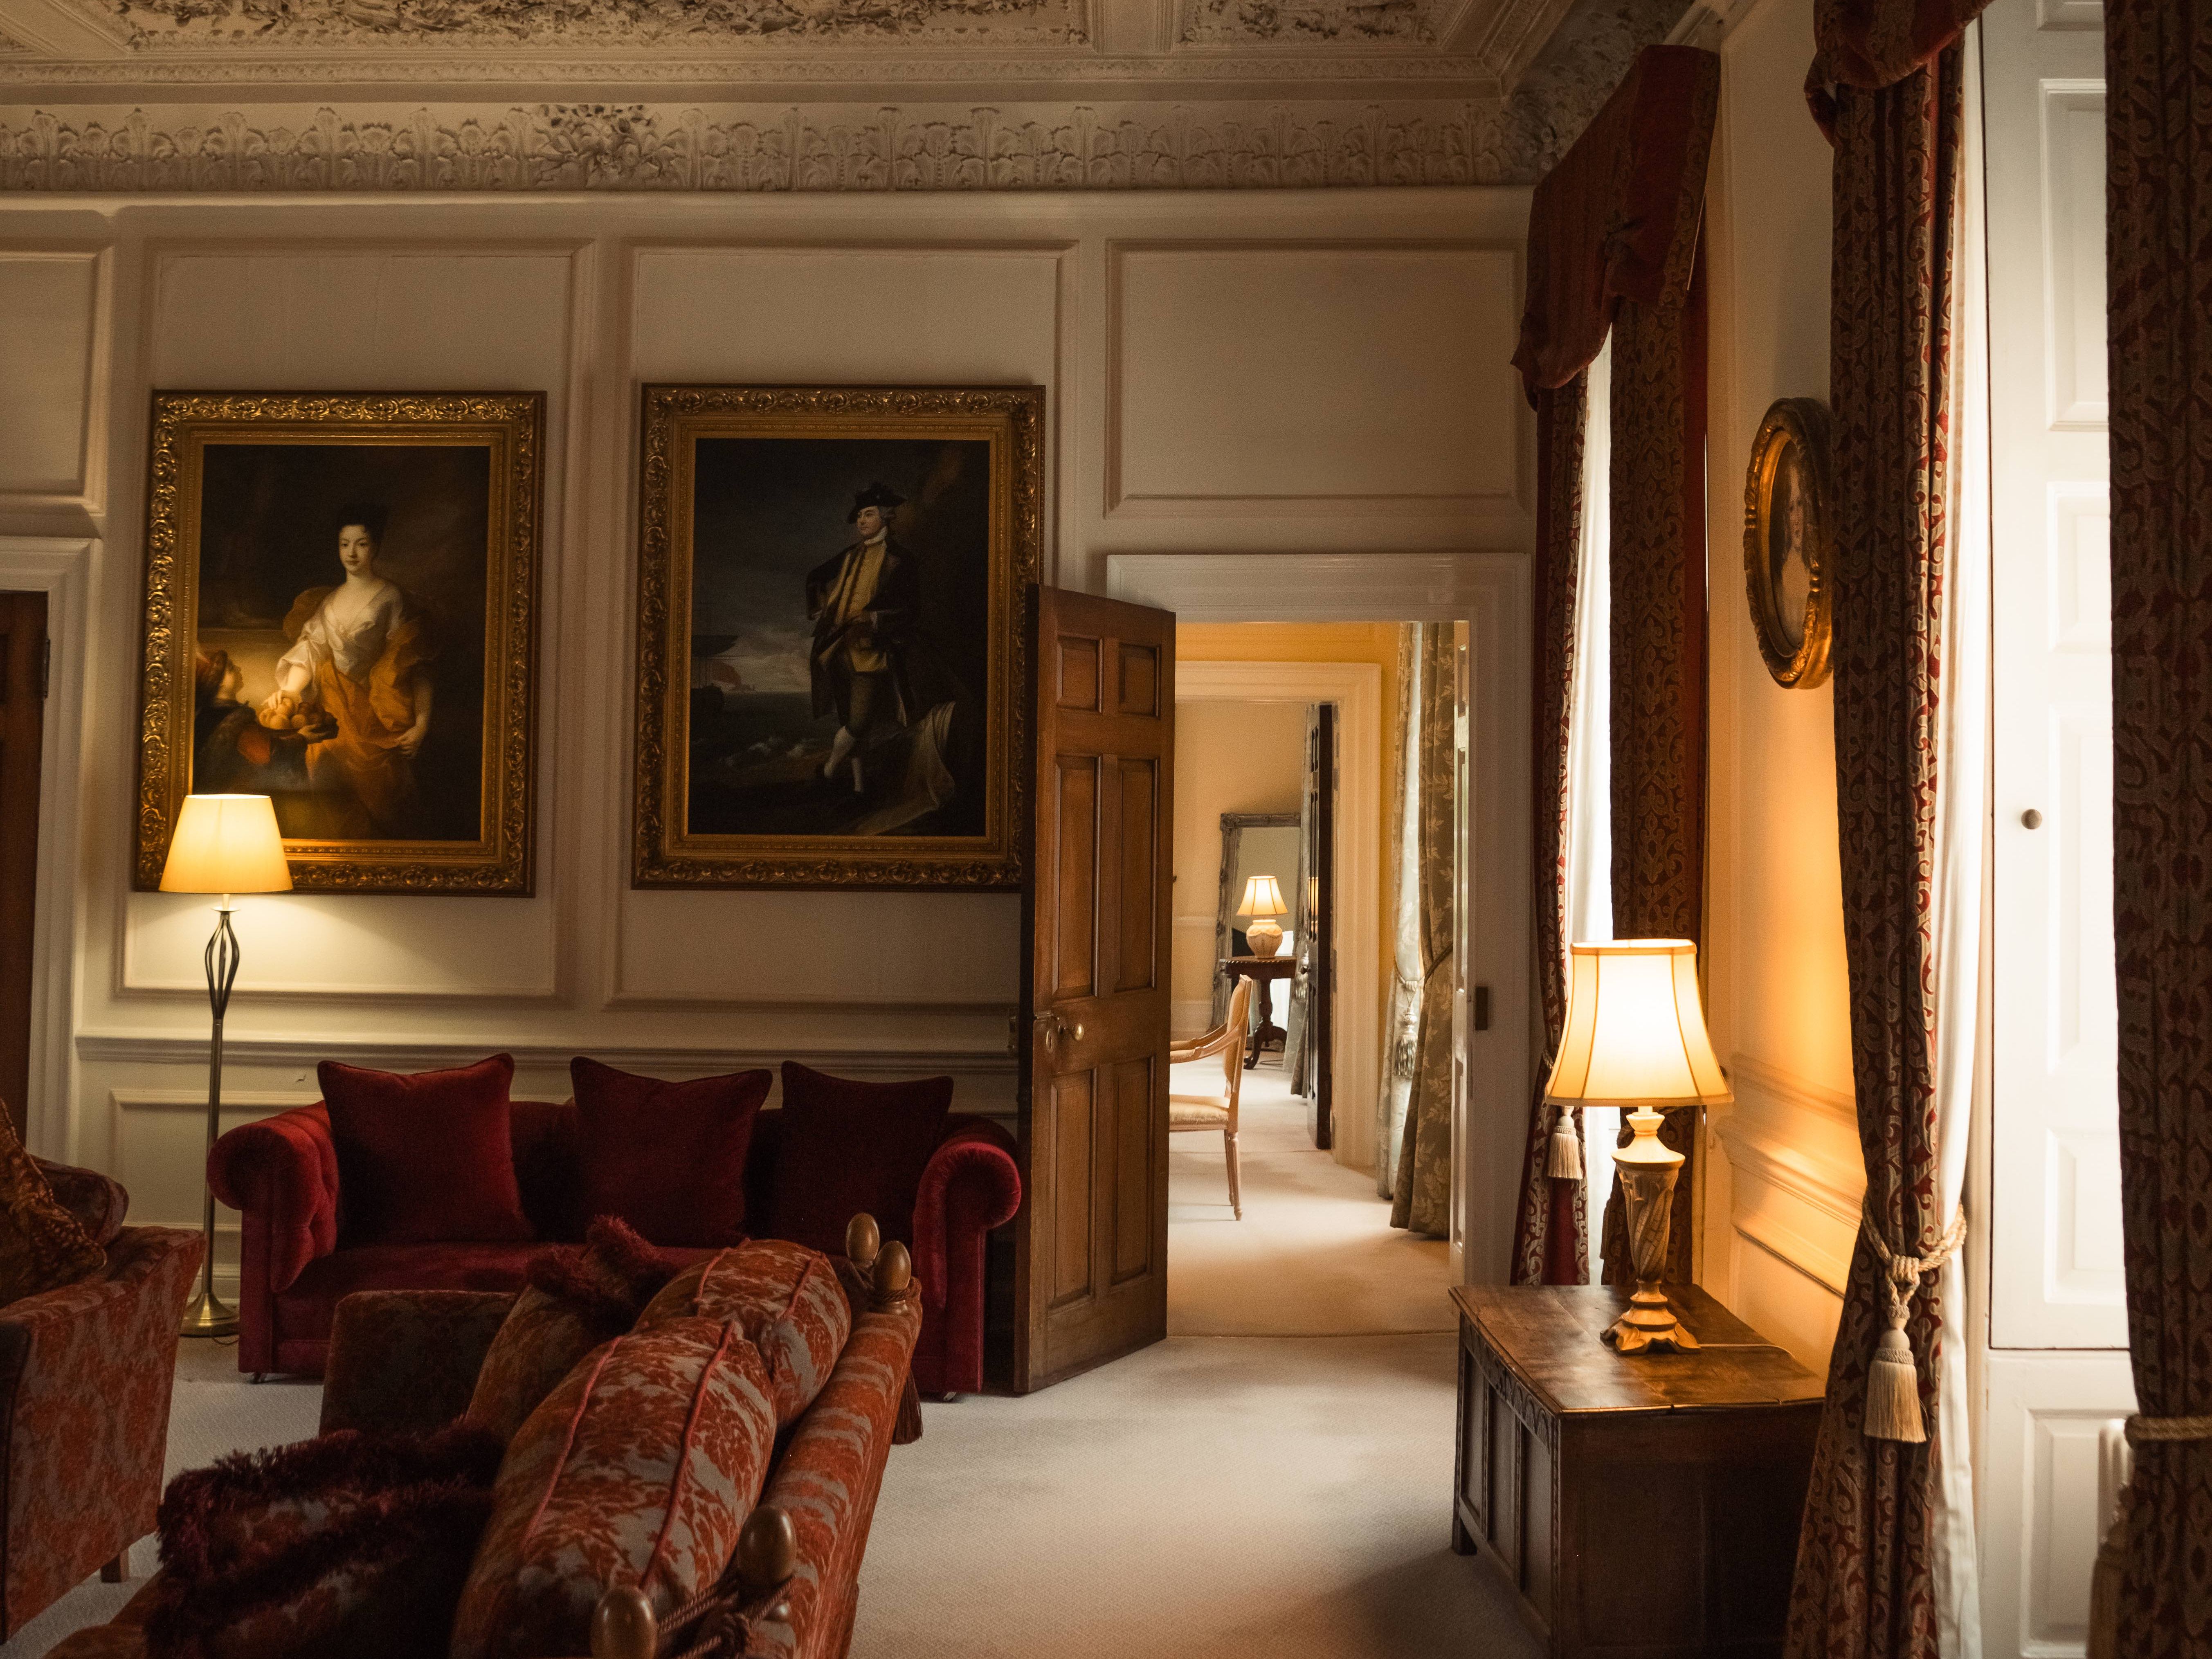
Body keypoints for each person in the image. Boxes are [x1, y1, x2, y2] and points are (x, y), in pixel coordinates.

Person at [256, 502, 435, 839]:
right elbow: (310, 652)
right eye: (344, 543)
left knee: (386, 805)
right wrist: (292, 693)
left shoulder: (390, 598)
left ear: (376, 547)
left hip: (374, 719)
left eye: (362, 543)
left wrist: (423, 723)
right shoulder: (329, 602)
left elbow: (413, 662)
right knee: (331, 802)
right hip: (331, 720)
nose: (352, 553)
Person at [805, 483, 922, 795]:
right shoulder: (849, 555)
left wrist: (873, 618)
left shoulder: (901, 559)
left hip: (872, 651)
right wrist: (819, 607)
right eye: (859, 516)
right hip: (838, 648)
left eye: (868, 515)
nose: (861, 521)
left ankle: (828, 771)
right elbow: (815, 575)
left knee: (857, 724)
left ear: (886, 517)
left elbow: (912, 610)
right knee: (852, 722)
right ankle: (859, 789)